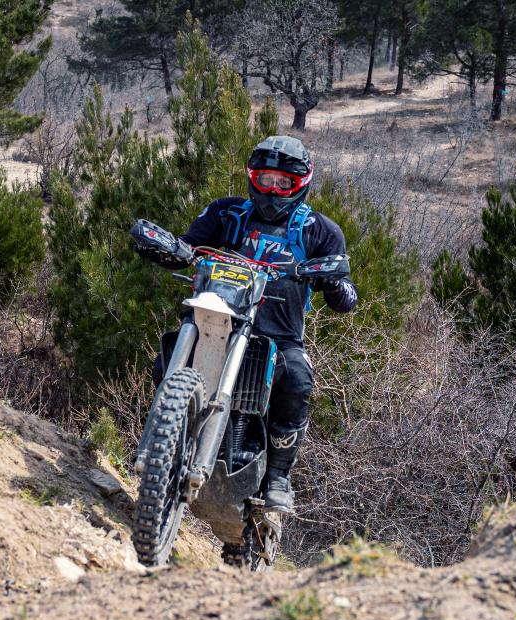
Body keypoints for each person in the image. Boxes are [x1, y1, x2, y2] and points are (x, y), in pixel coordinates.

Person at [135, 135, 357, 513]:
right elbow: (190, 248)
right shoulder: (226, 213)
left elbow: (347, 298)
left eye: (284, 183)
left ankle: (278, 476)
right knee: (166, 358)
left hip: (278, 334)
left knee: (298, 379)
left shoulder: (319, 230)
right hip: (214, 319)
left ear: (299, 184)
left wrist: (333, 282)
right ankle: (160, 442)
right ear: (254, 177)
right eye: (267, 180)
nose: (273, 190)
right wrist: (163, 249)